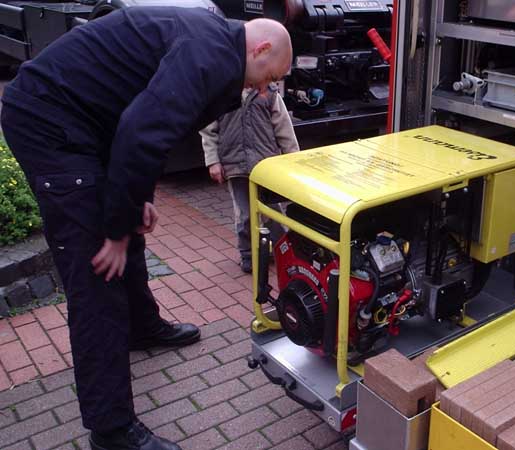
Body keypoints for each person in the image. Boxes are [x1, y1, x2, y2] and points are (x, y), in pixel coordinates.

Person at [1, 7, 292, 450]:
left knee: (126, 222)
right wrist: (116, 232)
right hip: (49, 121)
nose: (265, 88)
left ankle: (142, 326)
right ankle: (112, 431)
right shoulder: (209, 55)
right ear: (261, 49)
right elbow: (141, 132)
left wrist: (139, 202)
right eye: (270, 77)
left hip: (89, 122)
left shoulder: (215, 46)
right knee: (97, 270)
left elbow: (151, 129)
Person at [200, 84, 299, 273]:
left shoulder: (268, 92)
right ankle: (247, 253)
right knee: (245, 214)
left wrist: (293, 158)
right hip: (235, 164)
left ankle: (283, 251)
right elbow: (208, 129)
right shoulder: (220, 92)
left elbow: (284, 127)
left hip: (265, 165)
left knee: (272, 212)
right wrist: (213, 161)